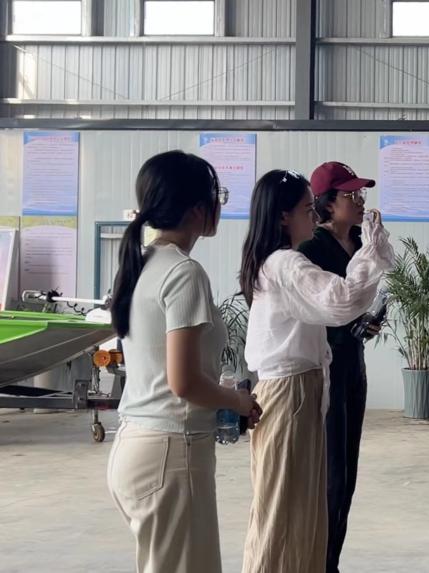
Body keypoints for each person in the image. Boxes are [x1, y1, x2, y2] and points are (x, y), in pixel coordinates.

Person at [107, 150, 261, 573]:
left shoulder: (143, 263)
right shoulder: (184, 272)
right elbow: (184, 382)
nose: (219, 205)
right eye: (217, 195)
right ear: (197, 208)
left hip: (139, 445)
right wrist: (237, 401)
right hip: (171, 451)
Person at [239, 169, 394, 573]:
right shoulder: (286, 263)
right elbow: (340, 300)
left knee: (305, 512)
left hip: (304, 385)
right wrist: (372, 252)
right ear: (283, 217)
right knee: (282, 513)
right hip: (290, 392)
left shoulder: (280, 261)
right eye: (307, 209)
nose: (313, 216)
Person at [295, 161, 381, 572]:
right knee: (329, 473)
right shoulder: (310, 251)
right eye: (352, 194)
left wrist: (366, 322)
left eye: (361, 194)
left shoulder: (362, 242)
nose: (360, 200)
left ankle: (332, 561)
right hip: (325, 367)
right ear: (328, 203)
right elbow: (316, 308)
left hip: (354, 365)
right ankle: (319, 561)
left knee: (347, 471)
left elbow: (355, 301)